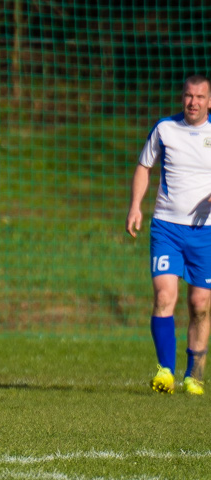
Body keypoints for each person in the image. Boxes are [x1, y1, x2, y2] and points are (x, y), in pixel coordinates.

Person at [126, 74, 211, 396]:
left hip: (206, 233)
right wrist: (135, 206)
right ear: (182, 98)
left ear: (209, 101)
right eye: (189, 96)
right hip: (166, 228)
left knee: (200, 304)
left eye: (200, 97)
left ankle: (194, 374)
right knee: (164, 296)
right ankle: (165, 371)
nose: (193, 102)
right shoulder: (165, 129)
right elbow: (143, 167)